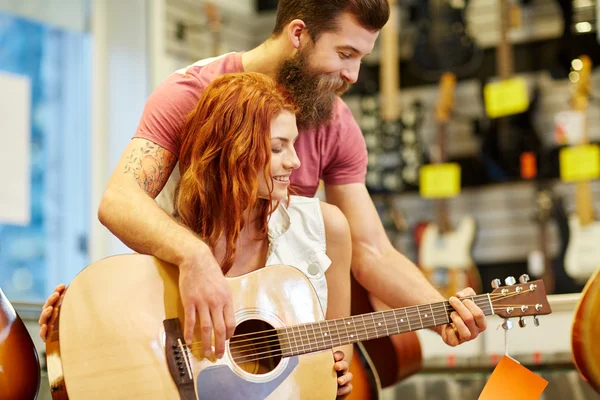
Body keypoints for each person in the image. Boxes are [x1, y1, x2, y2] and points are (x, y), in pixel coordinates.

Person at [44, 0, 487, 363]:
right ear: (299, 34)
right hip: (186, 336)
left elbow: (371, 251)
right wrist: (194, 256)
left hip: (269, 349)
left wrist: (440, 312)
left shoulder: (335, 121)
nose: (353, 75)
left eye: (361, 59)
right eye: (345, 54)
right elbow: (120, 200)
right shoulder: (190, 94)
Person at [41, 72, 354, 398]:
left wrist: (338, 380)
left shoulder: (325, 227)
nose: (295, 161)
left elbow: (336, 346)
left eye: (294, 144)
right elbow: (130, 340)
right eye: (278, 148)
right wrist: (68, 332)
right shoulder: (171, 234)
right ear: (234, 148)